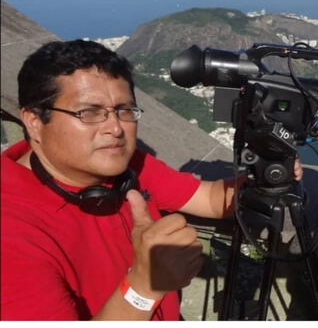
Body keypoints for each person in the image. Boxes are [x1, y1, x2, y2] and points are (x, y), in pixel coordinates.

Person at [0, 40, 302, 320]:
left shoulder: (128, 166)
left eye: (124, 110)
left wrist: (266, 174)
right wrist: (144, 286)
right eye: (89, 112)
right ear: (34, 121)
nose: (116, 128)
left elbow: (208, 199)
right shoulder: (12, 234)